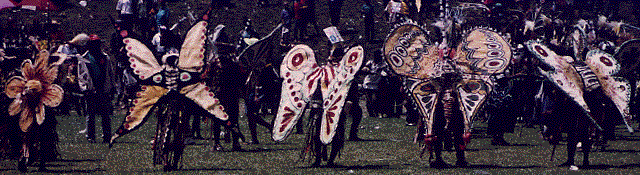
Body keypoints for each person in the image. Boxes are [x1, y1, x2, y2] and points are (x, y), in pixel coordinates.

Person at [81, 34, 115, 143]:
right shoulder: (84, 58)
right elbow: (81, 76)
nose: (96, 46)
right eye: (93, 44)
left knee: (105, 114)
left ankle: (107, 135)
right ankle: (90, 136)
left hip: (103, 89)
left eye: (97, 44)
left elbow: (110, 73)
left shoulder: (105, 57)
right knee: (90, 115)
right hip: (90, 90)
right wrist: (85, 89)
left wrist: (112, 86)